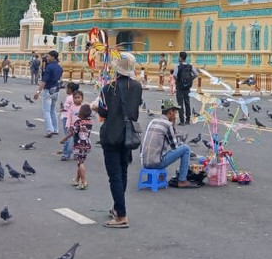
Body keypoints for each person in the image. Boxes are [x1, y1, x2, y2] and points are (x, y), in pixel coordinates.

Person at [97, 51, 142, 228]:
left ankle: (121, 215)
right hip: (127, 135)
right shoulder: (137, 86)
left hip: (111, 135)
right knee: (122, 172)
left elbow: (102, 112)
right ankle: (117, 207)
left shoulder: (108, 88)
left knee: (114, 176)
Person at [140, 98, 193, 187]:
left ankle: (161, 176)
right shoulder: (167, 124)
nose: (175, 115)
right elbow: (174, 146)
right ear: (170, 112)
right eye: (175, 112)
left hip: (145, 162)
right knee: (186, 149)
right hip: (156, 163)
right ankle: (182, 180)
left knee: (161, 151)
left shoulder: (153, 121)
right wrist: (173, 126)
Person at [61, 103, 96, 190]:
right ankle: (77, 179)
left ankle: (84, 181)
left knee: (80, 163)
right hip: (87, 144)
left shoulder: (78, 122)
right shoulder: (90, 122)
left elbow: (72, 132)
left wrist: (64, 139)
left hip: (79, 145)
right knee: (80, 162)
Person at [33, 51, 64, 137]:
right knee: (53, 110)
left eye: (48, 56)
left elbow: (44, 81)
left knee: (46, 111)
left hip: (48, 90)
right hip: (56, 90)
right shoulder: (59, 68)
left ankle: (50, 130)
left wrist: (38, 92)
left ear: (53, 57)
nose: (47, 58)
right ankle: (55, 129)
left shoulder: (49, 67)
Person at [173, 51, 195, 126]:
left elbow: (174, 75)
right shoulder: (190, 66)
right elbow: (196, 74)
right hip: (187, 87)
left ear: (180, 57)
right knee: (187, 103)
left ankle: (182, 121)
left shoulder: (177, 66)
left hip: (180, 87)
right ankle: (188, 120)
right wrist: (190, 79)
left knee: (180, 104)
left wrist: (178, 80)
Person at [60, 82, 81, 160]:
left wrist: (62, 108)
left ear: (70, 89)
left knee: (68, 136)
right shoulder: (78, 97)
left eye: (67, 88)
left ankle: (66, 154)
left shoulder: (69, 98)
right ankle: (76, 152)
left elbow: (66, 108)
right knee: (76, 137)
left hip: (67, 118)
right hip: (76, 119)